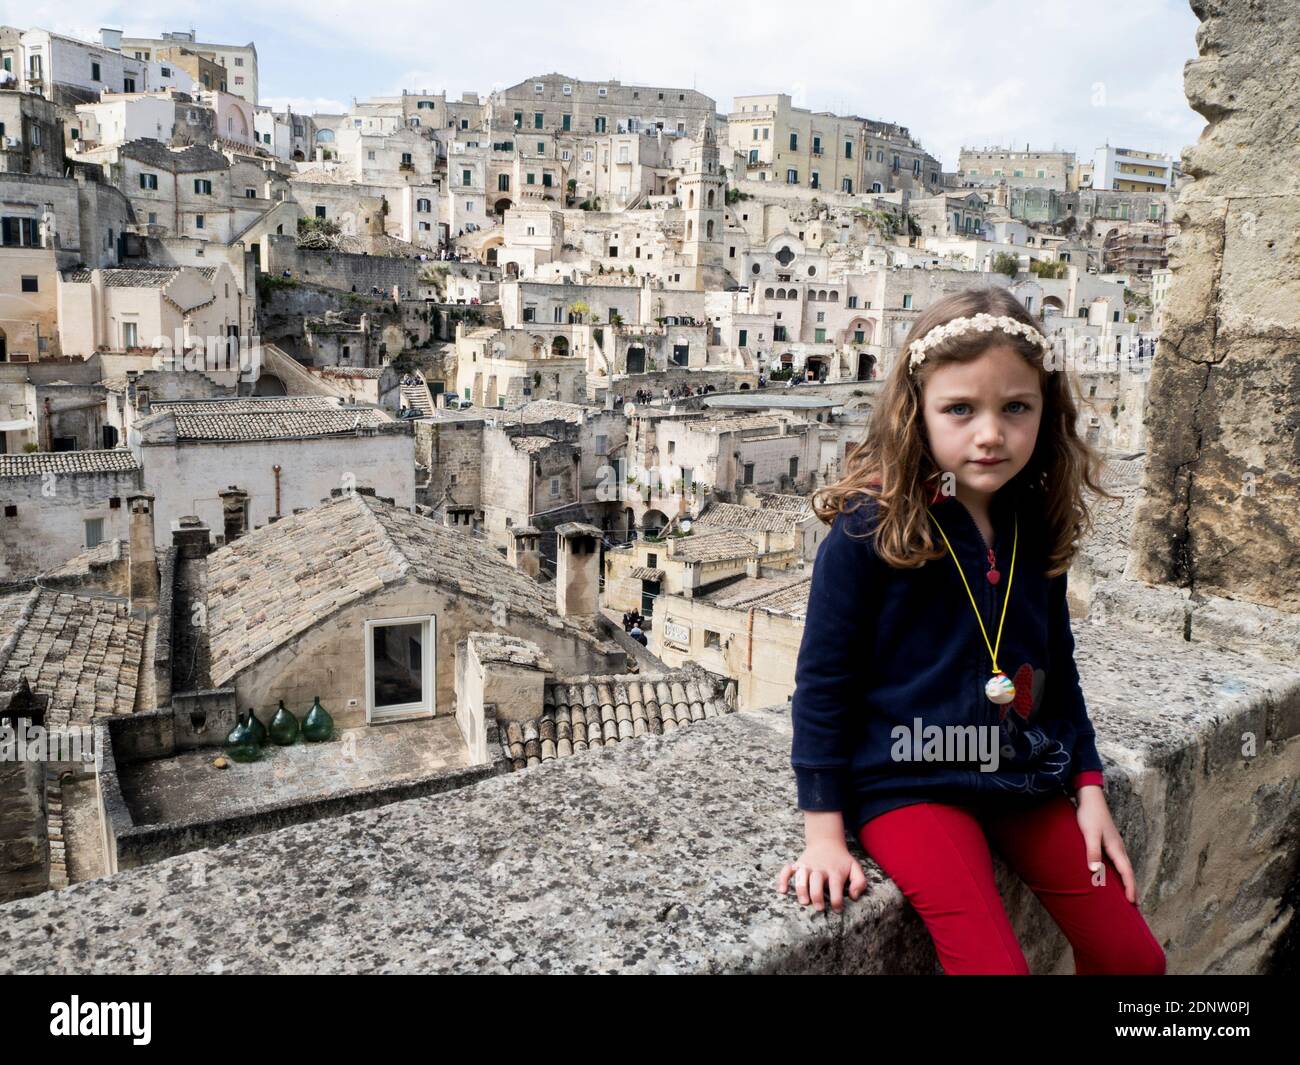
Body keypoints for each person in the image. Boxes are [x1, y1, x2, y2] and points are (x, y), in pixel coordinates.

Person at [777, 287, 1166, 976]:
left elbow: (1057, 671)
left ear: (1046, 414)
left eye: (1015, 407)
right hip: (907, 782)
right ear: (916, 413)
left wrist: (1089, 784)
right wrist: (823, 832)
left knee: (1134, 958)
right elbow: (822, 686)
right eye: (961, 409)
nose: (990, 432)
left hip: (1017, 772)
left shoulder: (1030, 522)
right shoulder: (869, 530)